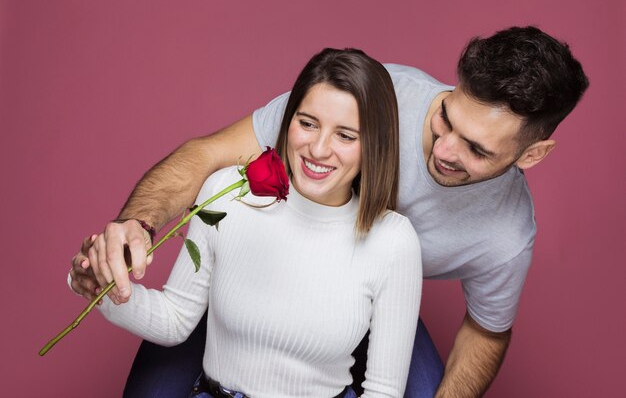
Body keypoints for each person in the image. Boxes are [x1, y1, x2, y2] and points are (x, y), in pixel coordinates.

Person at [70, 25, 589, 398]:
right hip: (245, 309)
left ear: (531, 155)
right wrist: (132, 233)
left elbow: (485, 330)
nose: (446, 150)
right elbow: (206, 156)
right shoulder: (362, 97)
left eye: (476, 149)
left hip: (368, 308)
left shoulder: (455, 239)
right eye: (444, 118)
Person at [96, 48, 422, 398]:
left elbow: (383, 391)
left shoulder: (394, 241)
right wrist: (97, 286)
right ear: (288, 121)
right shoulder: (226, 193)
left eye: (345, 135)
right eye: (307, 123)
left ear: (374, 145)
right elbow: (175, 320)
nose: (319, 148)